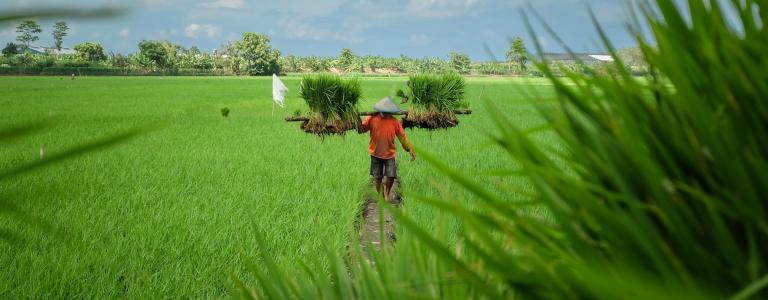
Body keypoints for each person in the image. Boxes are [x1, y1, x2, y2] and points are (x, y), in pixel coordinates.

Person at [358, 96, 416, 200]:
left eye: (389, 112)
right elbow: (361, 129)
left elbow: (402, 137)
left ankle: (387, 192)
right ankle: (380, 195)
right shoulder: (372, 119)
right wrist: (357, 119)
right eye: (385, 112)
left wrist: (410, 149)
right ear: (380, 110)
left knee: (391, 176)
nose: (387, 114)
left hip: (389, 154)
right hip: (375, 153)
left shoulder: (394, 122)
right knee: (377, 177)